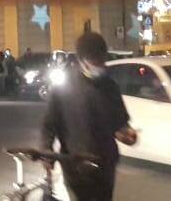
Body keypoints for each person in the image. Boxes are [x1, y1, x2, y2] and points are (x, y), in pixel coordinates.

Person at [41, 32, 138, 201]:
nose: (99, 66)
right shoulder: (63, 87)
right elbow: (49, 124)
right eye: (94, 62)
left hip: (105, 163)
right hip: (75, 164)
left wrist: (127, 134)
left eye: (101, 61)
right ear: (82, 60)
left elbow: (120, 123)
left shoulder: (110, 86)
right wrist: (47, 150)